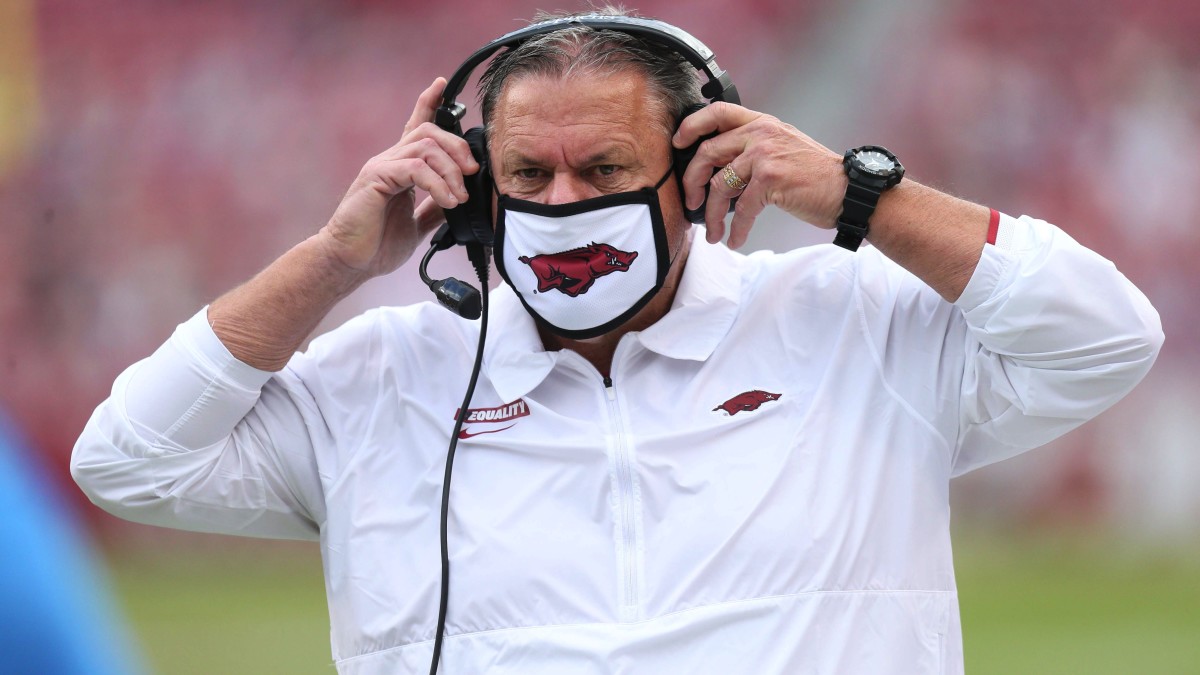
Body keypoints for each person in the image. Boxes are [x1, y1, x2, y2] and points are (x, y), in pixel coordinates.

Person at [72, 7, 1163, 675]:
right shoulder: (380, 377)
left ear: (696, 172)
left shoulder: (852, 324)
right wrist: (335, 261)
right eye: (526, 176)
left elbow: (1105, 334)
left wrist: (855, 193)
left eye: (602, 171)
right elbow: (127, 457)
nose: (561, 202)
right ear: (471, 194)